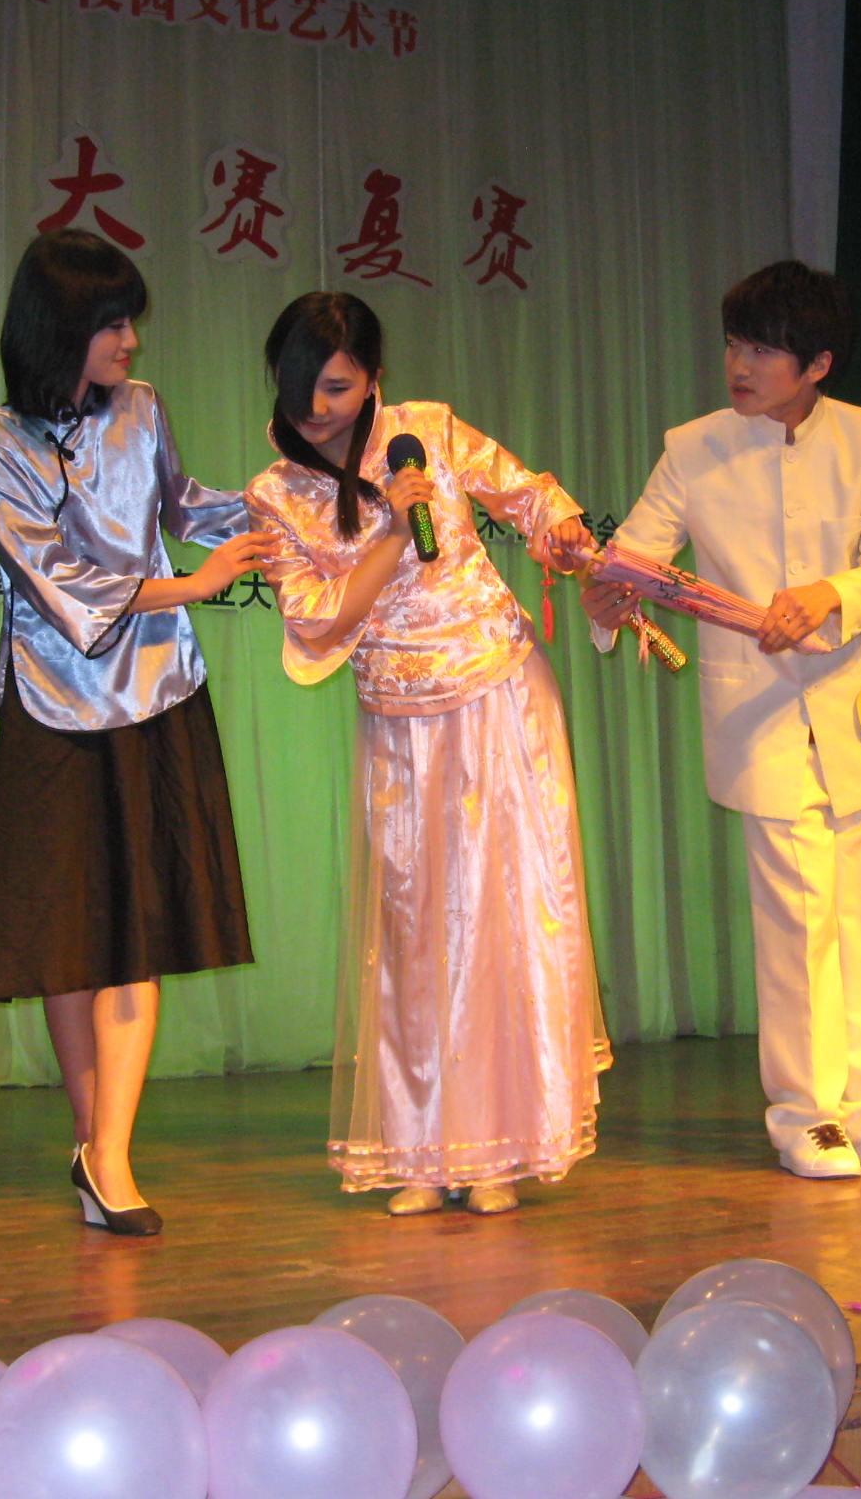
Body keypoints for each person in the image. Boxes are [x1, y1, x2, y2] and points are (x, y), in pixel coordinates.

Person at [246, 290, 607, 1215]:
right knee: (414, 935)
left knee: (502, 922)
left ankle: (499, 1154)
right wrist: (389, 531)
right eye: (299, 384)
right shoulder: (275, 495)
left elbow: (527, 496)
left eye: (337, 387)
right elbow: (317, 620)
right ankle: (420, 1151)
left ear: (375, 379)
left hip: (498, 695)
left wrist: (564, 533)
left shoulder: (427, 433)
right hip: (401, 724)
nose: (315, 406)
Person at [583, 260, 861, 1178]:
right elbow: (636, 557)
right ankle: (805, 1115)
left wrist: (830, 594)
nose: (739, 365)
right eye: (734, 345)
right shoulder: (694, 447)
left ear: (817, 364)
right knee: (795, 914)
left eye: (763, 350)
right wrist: (605, 594)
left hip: (855, 703)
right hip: (757, 711)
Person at [0, 229, 273, 1237]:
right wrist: (194, 586)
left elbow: (185, 506)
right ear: (58, 330)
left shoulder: (143, 409)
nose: (130, 341)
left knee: (134, 935)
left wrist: (287, 510)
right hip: (53, 708)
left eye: (132, 321)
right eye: (111, 324)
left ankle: (113, 1156)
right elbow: (60, 586)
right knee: (69, 941)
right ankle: (94, 1143)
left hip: (157, 695)